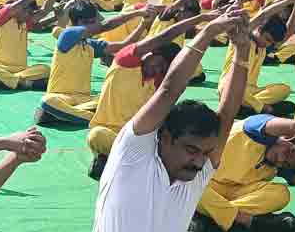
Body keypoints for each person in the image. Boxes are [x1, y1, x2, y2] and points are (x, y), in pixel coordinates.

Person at [73, 10, 256, 232]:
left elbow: (229, 108)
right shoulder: (135, 152)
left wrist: (243, 51)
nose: (200, 161)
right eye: (191, 150)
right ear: (165, 137)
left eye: (205, 152)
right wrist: (205, 35)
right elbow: (171, 89)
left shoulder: (199, 169)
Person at [85, 12, 213, 177]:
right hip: (109, 134)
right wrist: (201, 20)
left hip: (137, 141)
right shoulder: (126, 62)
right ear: (151, 53)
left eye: (163, 69)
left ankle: (116, 162)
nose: (157, 70)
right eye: (158, 63)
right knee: (97, 135)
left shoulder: (157, 82)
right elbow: (165, 36)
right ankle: (124, 162)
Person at [35, 3, 154, 126]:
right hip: (60, 97)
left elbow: (125, 44)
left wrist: (143, 24)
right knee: (48, 101)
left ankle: (62, 115)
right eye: (87, 23)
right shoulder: (67, 35)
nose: (92, 26)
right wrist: (138, 13)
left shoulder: (91, 45)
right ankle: (95, 119)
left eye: (93, 22)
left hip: (85, 100)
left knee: (111, 99)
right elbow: (105, 26)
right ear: (76, 23)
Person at [219, 0, 295, 117]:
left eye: (271, 42)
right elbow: (263, 15)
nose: (268, 44)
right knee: (231, 88)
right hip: (230, 88)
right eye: (267, 39)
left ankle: (248, 108)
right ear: (259, 29)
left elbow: (289, 31)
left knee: (284, 89)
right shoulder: (242, 37)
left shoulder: (263, 47)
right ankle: (258, 107)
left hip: (251, 92)